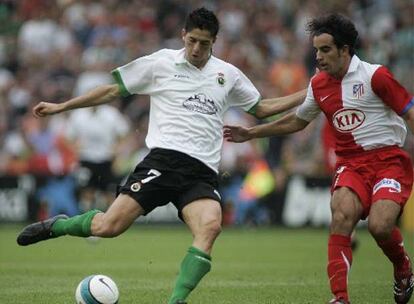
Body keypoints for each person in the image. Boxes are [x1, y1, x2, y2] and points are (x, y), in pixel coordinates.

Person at [16, 7, 306, 304]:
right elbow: (112, 91)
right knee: (108, 227)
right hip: (162, 162)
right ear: (183, 35)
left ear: (214, 42)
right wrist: (61, 107)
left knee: (210, 227)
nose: (196, 48)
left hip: (201, 172)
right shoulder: (161, 63)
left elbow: (263, 108)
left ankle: (176, 301)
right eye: (191, 40)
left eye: (204, 43)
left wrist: (311, 92)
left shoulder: (227, 75)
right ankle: (59, 225)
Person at [224, 13, 414, 304]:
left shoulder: (376, 76)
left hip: (388, 159)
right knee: (340, 216)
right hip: (350, 163)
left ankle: (403, 268)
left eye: (325, 49)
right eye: (316, 50)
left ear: (345, 50)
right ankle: (340, 298)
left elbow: (409, 111)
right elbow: (297, 122)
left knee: (380, 226)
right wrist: (251, 133)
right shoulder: (318, 85)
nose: (318, 56)